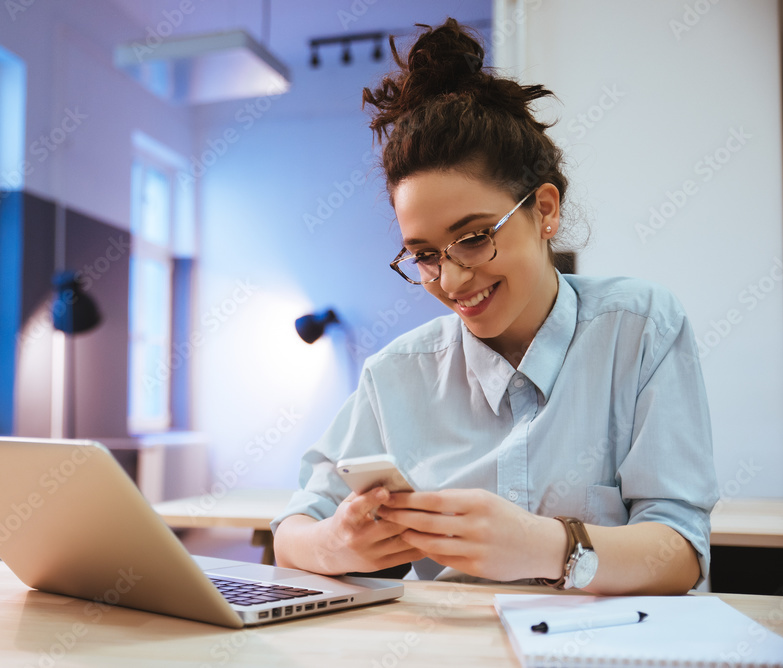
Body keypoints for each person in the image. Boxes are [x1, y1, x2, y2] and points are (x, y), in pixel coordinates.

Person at [270, 18, 719, 595]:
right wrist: (335, 542)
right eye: (425, 255)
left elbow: (681, 550)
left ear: (546, 210)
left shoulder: (640, 329)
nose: (452, 278)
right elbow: (291, 530)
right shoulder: (396, 376)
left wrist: (547, 544)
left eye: (476, 236)